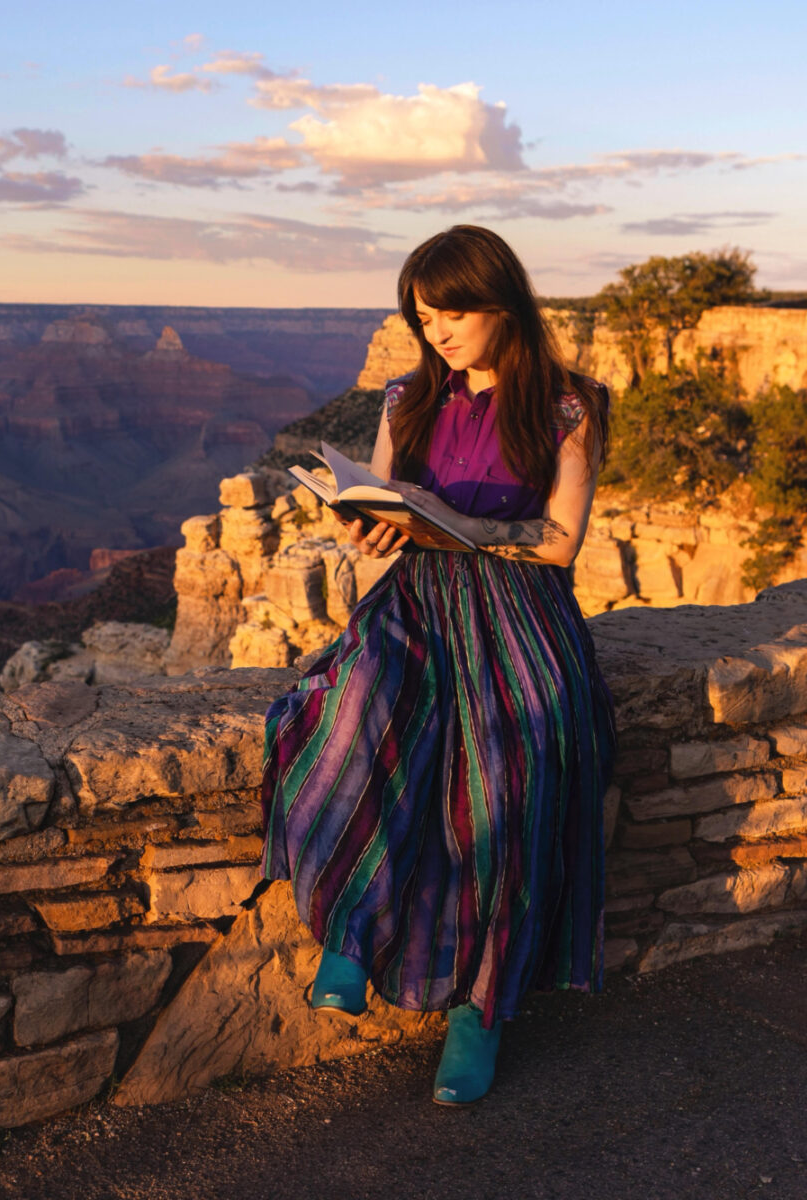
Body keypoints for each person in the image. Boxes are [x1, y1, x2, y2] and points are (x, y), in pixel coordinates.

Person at [260, 224, 616, 1106]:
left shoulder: (569, 405)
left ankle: (478, 1013)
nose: (439, 333)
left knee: (504, 782)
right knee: (345, 718)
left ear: (506, 304)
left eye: (454, 312)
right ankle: (349, 929)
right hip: (415, 601)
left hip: (517, 612)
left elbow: (561, 541)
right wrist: (370, 525)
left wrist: (471, 532)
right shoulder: (406, 397)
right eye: (424, 317)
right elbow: (383, 506)